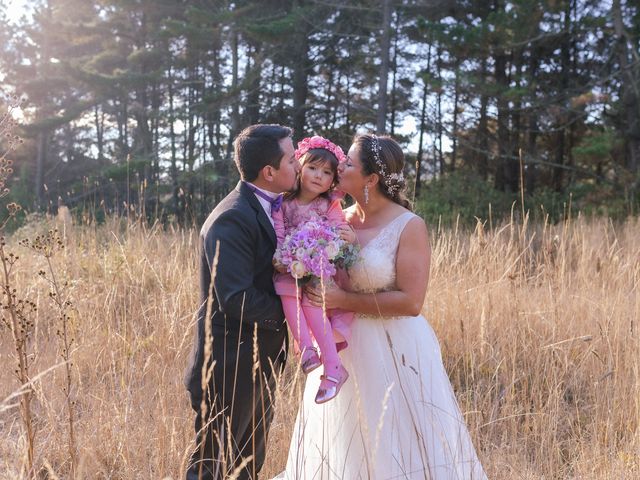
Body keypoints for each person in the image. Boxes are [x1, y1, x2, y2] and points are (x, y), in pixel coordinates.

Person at [279, 134, 487, 479]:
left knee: (396, 436)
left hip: (395, 347)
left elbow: (411, 301)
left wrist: (344, 300)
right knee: (347, 438)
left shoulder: (409, 225)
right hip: (343, 343)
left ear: (371, 179)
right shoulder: (335, 217)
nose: (338, 167)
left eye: (347, 164)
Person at [184, 124, 300, 480]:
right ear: (269, 172)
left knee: (247, 464)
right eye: (292, 159)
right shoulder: (232, 216)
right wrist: (295, 312)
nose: (298, 165)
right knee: (212, 465)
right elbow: (235, 298)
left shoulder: (274, 208)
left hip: (259, 358)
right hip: (229, 364)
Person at [272, 135, 355, 405]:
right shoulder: (283, 202)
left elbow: (336, 232)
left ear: (333, 179)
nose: (319, 176)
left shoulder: (329, 205)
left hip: (319, 267)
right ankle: (307, 349)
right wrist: (284, 255)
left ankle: (333, 369)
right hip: (290, 262)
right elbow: (280, 232)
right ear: (300, 167)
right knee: (283, 286)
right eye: (313, 168)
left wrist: (321, 252)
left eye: (327, 172)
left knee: (312, 300)